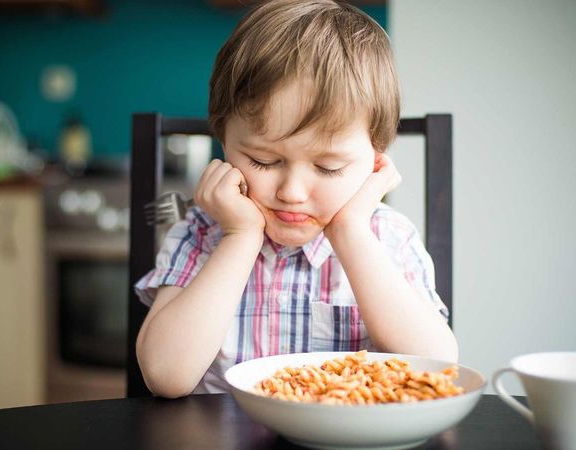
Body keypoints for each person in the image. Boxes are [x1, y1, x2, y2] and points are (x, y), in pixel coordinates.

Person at [135, 0, 457, 398]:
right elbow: (166, 376)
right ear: (224, 145)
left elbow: (439, 367)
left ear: (375, 161)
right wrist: (239, 237)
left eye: (328, 167)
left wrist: (350, 231)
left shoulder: (387, 238)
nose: (291, 192)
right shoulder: (201, 233)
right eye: (263, 160)